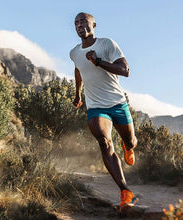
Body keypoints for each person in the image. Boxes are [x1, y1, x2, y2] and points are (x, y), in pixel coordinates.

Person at [69, 12, 138, 212]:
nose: (79, 25)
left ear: (94, 24)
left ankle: (128, 146)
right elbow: (78, 69)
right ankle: (126, 192)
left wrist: (99, 62)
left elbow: (125, 70)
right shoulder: (74, 52)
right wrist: (78, 94)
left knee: (131, 141)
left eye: (83, 21)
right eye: (76, 23)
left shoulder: (107, 44)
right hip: (95, 106)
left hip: (117, 103)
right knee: (104, 141)